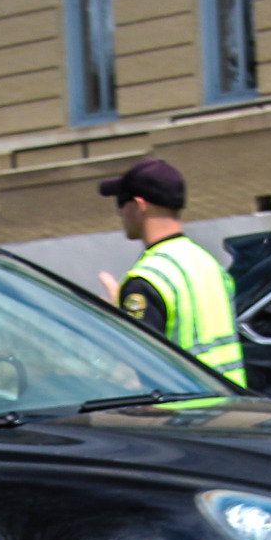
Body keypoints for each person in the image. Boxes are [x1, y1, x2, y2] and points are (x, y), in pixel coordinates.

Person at [92, 159, 246, 386]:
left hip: (184, 413)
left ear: (140, 205)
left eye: (121, 203)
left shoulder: (147, 279)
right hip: (232, 407)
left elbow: (141, 369)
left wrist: (118, 320)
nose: (119, 212)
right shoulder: (209, 264)